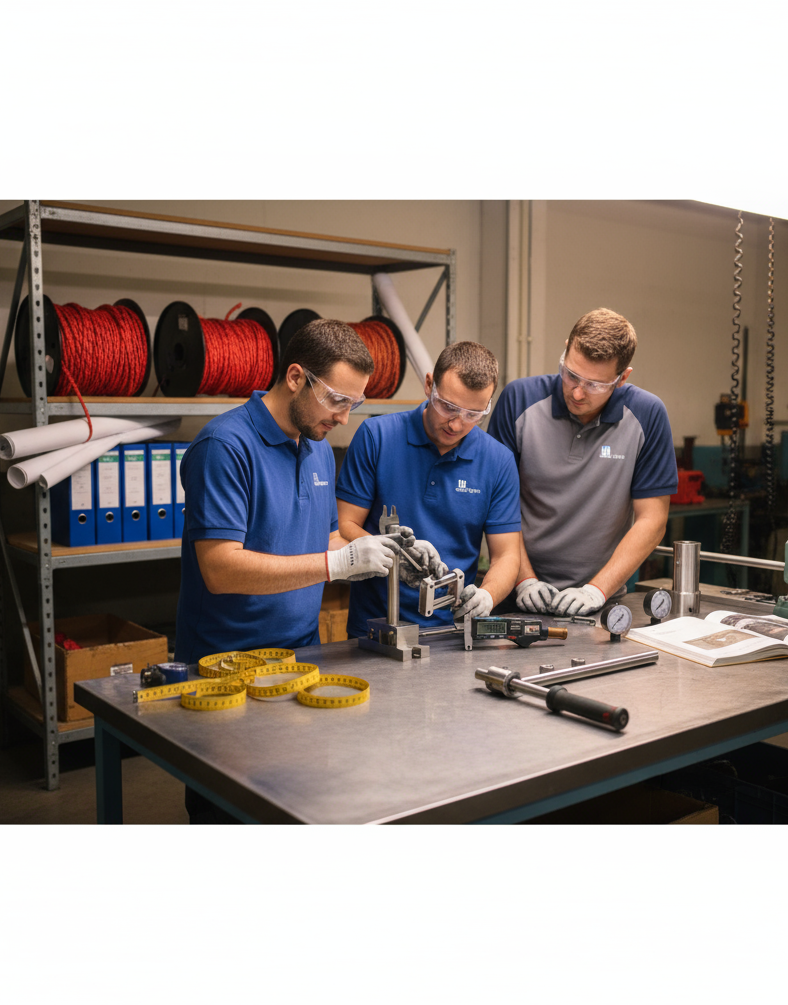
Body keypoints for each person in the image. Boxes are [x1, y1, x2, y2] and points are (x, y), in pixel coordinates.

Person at [174, 318, 407, 823]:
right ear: (297, 377)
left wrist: (380, 550)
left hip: (300, 660)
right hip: (224, 669)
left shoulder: (316, 444)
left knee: (297, 807)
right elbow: (220, 569)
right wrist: (336, 563)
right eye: (337, 400)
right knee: (231, 819)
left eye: (354, 404)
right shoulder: (224, 448)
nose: (343, 418)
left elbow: (326, 538)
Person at [487, 307, 677, 618]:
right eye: (571, 374)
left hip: (601, 601)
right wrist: (524, 580)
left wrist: (596, 590)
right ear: (566, 351)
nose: (577, 393)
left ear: (622, 378)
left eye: (595, 385)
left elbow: (652, 520)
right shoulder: (519, 400)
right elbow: (497, 504)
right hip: (515, 593)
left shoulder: (647, 415)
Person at [336, 341, 521, 636]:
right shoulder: (377, 437)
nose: (456, 424)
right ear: (429, 385)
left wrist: (488, 595)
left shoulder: (498, 461)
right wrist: (395, 555)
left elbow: (507, 556)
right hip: (374, 629)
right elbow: (344, 526)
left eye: (473, 414)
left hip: (452, 633)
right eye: (448, 407)